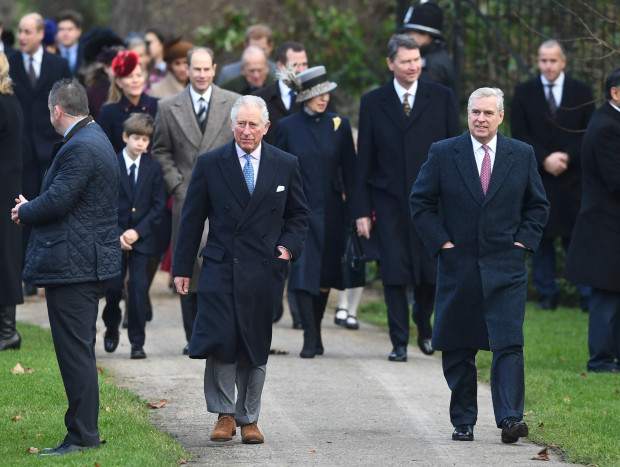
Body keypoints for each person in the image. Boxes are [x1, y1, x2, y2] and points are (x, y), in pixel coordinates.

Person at [410, 87, 550, 444]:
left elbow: (538, 206)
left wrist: (523, 242)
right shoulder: (444, 153)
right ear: (467, 114)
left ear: (501, 117)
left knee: (508, 343)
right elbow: (421, 202)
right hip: (459, 265)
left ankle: (509, 419)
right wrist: (442, 243)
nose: (481, 119)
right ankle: (464, 420)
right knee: (458, 345)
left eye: (488, 113)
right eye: (475, 113)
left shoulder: (522, 154)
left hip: (507, 266)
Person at [172, 95, 309, 444]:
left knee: (254, 342)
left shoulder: (286, 163)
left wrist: (286, 249)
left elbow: (299, 216)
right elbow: (191, 220)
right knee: (222, 339)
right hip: (220, 265)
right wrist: (182, 268)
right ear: (232, 125)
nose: (247, 131)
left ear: (266, 127)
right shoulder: (210, 162)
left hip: (264, 268)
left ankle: (249, 418)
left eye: (254, 124)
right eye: (241, 124)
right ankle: (224, 414)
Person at [11, 78, 121, 456]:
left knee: (75, 354)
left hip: (77, 266)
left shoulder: (82, 147)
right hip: (83, 262)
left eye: (49, 111)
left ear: (57, 111)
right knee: (79, 351)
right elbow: (68, 197)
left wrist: (25, 210)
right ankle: (81, 432)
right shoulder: (93, 136)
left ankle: (81, 436)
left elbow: (58, 200)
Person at [353, 34, 460, 362]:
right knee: (394, 273)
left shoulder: (441, 97)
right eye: (405, 61)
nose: (413, 66)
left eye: (416, 60)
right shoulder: (373, 102)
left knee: (430, 274)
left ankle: (424, 327)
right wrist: (360, 211)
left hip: (432, 203)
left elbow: (456, 152)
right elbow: (364, 161)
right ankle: (398, 341)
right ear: (391, 64)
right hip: (388, 203)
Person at [152, 47, 240, 354]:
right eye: (196, 69)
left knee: (218, 264)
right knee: (186, 263)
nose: (201, 75)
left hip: (223, 200)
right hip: (186, 196)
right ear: (186, 70)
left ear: (214, 69)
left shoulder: (233, 103)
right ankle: (194, 337)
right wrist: (176, 184)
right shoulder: (167, 106)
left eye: (207, 69)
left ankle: (216, 331)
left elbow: (240, 147)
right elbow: (160, 150)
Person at [274, 66, 356, 358]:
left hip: (333, 210)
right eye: (316, 94)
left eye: (326, 93)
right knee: (303, 273)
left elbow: (351, 172)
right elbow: (277, 171)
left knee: (325, 275)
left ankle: (317, 331)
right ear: (303, 96)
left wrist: (357, 213)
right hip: (298, 211)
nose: (323, 98)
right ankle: (309, 335)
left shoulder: (339, 124)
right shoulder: (287, 127)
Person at [511, 39, 594, 311]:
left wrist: (567, 156)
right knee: (541, 238)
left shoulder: (581, 92)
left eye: (553, 60)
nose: (548, 66)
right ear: (538, 61)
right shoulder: (524, 92)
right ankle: (547, 294)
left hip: (573, 178)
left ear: (563, 62)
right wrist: (544, 158)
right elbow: (519, 133)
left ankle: (586, 295)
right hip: (539, 177)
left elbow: (589, 133)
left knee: (578, 241)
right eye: (543, 60)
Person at [9, 12, 71, 296]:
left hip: (48, 150)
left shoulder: (57, 64)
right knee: (20, 210)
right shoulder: (7, 62)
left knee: (44, 208)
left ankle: (42, 271)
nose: (22, 37)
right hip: (17, 152)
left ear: (39, 34)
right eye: (19, 31)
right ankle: (23, 275)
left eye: (27, 32)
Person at [565, 68, 620, 374]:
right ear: (615, 92)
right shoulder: (607, 126)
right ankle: (600, 360)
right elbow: (616, 179)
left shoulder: (610, 121)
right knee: (605, 297)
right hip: (606, 226)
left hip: (610, 225)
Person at [101, 113, 167, 359]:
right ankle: (110, 327)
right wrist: (119, 233)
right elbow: (103, 204)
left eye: (146, 140)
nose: (141, 144)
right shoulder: (111, 165)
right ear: (125, 137)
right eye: (137, 138)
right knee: (114, 288)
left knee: (138, 289)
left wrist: (137, 232)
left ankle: (137, 341)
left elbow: (159, 206)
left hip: (143, 237)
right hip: (114, 236)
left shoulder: (153, 168)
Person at [0, 52, 24, 351]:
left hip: (3, 189)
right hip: (7, 187)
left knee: (5, 257)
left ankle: (8, 331)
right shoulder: (10, 101)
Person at [99, 50, 159, 153]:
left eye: (139, 75)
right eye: (129, 76)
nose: (135, 80)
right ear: (119, 82)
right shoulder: (109, 112)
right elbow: (104, 150)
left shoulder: (158, 106)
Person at [254, 40, 308, 144]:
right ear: (280, 65)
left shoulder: (318, 97)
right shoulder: (259, 99)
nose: (301, 70)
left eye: (304, 64)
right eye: (295, 65)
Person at [400, 2, 455, 90]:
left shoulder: (431, 66)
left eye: (410, 34)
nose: (406, 38)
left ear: (426, 36)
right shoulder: (433, 56)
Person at [55, 9, 83, 76]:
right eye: (61, 29)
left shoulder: (86, 53)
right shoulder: (50, 53)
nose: (65, 33)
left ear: (79, 32)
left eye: (70, 29)